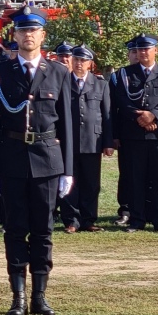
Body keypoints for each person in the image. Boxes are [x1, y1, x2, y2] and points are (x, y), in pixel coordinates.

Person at [0, 5, 74, 315]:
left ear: (42, 35)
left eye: (33, 30)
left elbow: (68, 125)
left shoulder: (60, 72)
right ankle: (18, 297)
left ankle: (39, 296)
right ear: (16, 35)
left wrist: (68, 170)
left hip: (48, 161)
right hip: (11, 160)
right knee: (14, 229)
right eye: (22, 30)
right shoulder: (0, 73)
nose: (28, 35)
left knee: (43, 231)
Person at [110, 34, 158, 233]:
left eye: (147, 49)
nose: (143, 52)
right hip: (134, 134)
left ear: (155, 50)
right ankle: (137, 220)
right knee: (135, 178)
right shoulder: (125, 73)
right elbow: (121, 101)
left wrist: (153, 116)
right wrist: (140, 117)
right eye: (140, 49)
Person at [60, 44, 114, 233]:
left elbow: (106, 115)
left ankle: (88, 219)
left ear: (90, 63)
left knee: (91, 183)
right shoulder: (63, 82)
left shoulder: (100, 84)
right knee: (69, 181)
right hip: (69, 141)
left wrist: (108, 142)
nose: (79, 64)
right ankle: (71, 221)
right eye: (76, 59)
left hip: (93, 141)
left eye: (83, 60)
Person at [111, 38, 139, 227]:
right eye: (134, 52)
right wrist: (114, 134)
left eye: (141, 51)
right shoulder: (120, 76)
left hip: (151, 132)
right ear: (128, 55)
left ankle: (146, 209)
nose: (138, 55)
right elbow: (112, 108)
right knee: (127, 174)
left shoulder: (155, 73)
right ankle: (126, 210)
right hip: (127, 131)